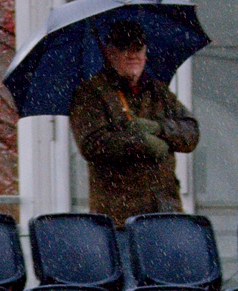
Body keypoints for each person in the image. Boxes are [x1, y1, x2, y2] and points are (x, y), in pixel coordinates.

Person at [67, 19, 199, 226]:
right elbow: (92, 143)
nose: (132, 55)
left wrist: (161, 129)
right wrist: (140, 143)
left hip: (166, 211)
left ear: (145, 52)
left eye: (137, 48)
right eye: (123, 48)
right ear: (109, 53)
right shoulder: (91, 94)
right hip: (119, 217)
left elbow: (191, 133)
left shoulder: (158, 91)